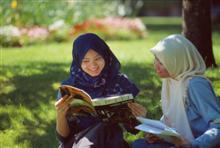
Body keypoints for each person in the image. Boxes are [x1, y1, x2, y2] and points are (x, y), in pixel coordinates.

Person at [55, 33, 146, 148]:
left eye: (98, 58)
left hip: (111, 141)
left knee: (105, 127)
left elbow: (133, 130)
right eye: (85, 61)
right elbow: (63, 137)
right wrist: (60, 114)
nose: (93, 65)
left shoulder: (119, 82)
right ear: (78, 61)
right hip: (77, 143)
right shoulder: (69, 88)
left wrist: (139, 117)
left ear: (106, 56)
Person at [132, 34, 220, 148]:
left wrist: (194, 145)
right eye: (156, 59)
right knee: (139, 144)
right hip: (179, 142)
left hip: (196, 143)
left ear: (177, 61)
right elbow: (172, 117)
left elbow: (217, 124)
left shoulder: (195, 84)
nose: (156, 66)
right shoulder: (171, 80)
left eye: (161, 63)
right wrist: (158, 134)